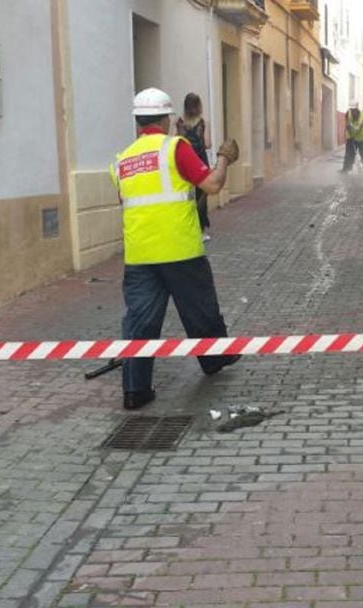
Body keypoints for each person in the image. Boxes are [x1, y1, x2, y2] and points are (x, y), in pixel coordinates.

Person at [110, 87, 241, 410]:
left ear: (138, 121)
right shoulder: (174, 148)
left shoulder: (122, 160)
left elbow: (127, 203)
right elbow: (211, 185)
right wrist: (224, 158)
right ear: (167, 119)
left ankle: (135, 390)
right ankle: (214, 360)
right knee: (200, 309)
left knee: (140, 322)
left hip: (140, 254)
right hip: (180, 250)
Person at [176, 93, 213, 242]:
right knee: (201, 196)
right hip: (200, 162)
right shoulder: (203, 123)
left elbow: (172, 140)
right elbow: (208, 143)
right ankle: (201, 230)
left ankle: (186, 228)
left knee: (184, 195)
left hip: (183, 162)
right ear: (199, 107)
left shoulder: (179, 122)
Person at [341, 101, 363, 174]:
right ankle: (346, 169)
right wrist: (347, 135)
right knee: (348, 154)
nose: (353, 111)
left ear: (357, 109)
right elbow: (347, 125)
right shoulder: (348, 114)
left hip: (361, 139)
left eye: (354, 110)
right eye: (351, 109)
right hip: (351, 138)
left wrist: (359, 130)